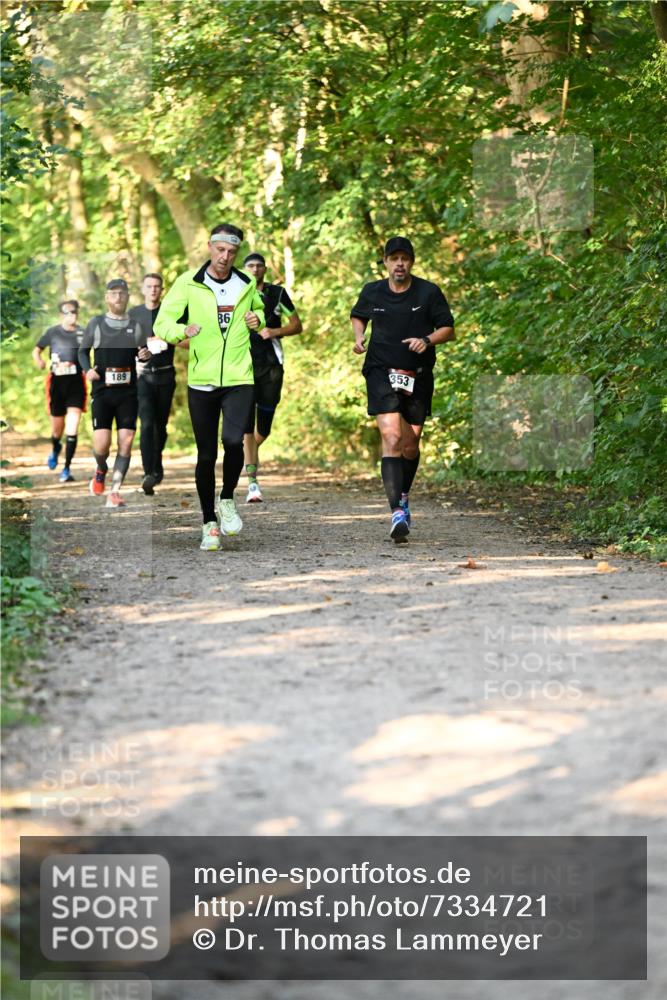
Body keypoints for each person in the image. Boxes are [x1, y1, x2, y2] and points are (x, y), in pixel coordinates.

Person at [154, 223, 265, 551]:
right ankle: (208, 523)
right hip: (202, 380)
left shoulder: (246, 283)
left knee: (233, 442)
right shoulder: (188, 282)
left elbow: (258, 310)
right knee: (206, 454)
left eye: (232, 252)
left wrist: (257, 319)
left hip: (238, 377)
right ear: (209, 247)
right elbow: (163, 323)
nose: (225, 257)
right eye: (220, 250)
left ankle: (227, 498)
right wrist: (181, 332)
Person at [350, 236, 455, 543]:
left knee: (411, 445)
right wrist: (359, 337)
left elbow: (448, 328)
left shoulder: (428, 291)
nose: (399, 264)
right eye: (394, 258)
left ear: (411, 262)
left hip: (418, 374)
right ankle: (396, 511)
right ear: (385, 261)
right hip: (381, 371)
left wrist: (427, 340)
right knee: (392, 436)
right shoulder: (372, 291)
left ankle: (404, 495)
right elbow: (359, 316)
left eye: (404, 259)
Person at [78, 278, 149, 510]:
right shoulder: (96, 323)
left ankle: (115, 491)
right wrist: (88, 370)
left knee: (126, 442)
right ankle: (101, 469)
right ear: (107, 297)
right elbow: (82, 352)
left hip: (128, 393)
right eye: (114, 293)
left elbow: (141, 353)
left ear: (128, 297)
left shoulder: (136, 325)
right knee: (102, 446)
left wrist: (145, 355)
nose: (118, 297)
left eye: (122, 293)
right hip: (102, 393)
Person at [241, 253, 302, 503]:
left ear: (265, 269)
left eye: (258, 266)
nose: (255, 269)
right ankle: (252, 483)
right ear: (243, 270)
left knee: (263, 429)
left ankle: (247, 456)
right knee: (245, 425)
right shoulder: (236, 294)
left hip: (271, 365)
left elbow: (297, 325)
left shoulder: (278, 294)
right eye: (250, 266)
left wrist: (274, 331)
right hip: (242, 365)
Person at [129, 273, 176, 495]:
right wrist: (138, 352)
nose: (153, 290)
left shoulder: (171, 311)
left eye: (157, 286)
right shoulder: (133, 314)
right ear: (143, 289)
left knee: (161, 426)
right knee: (147, 423)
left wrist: (168, 339)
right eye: (149, 286)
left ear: (162, 289)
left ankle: (156, 465)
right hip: (142, 377)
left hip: (166, 376)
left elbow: (183, 337)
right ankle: (149, 473)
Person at [32, 300, 86, 483]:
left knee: (73, 427)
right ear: (61, 314)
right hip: (57, 384)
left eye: (74, 311)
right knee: (57, 429)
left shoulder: (83, 333)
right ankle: (55, 449)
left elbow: (90, 353)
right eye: (68, 312)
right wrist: (39, 361)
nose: (72, 315)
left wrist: (88, 367)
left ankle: (66, 468)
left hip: (76, 384)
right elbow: (36, 350)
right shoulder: (52, 332)